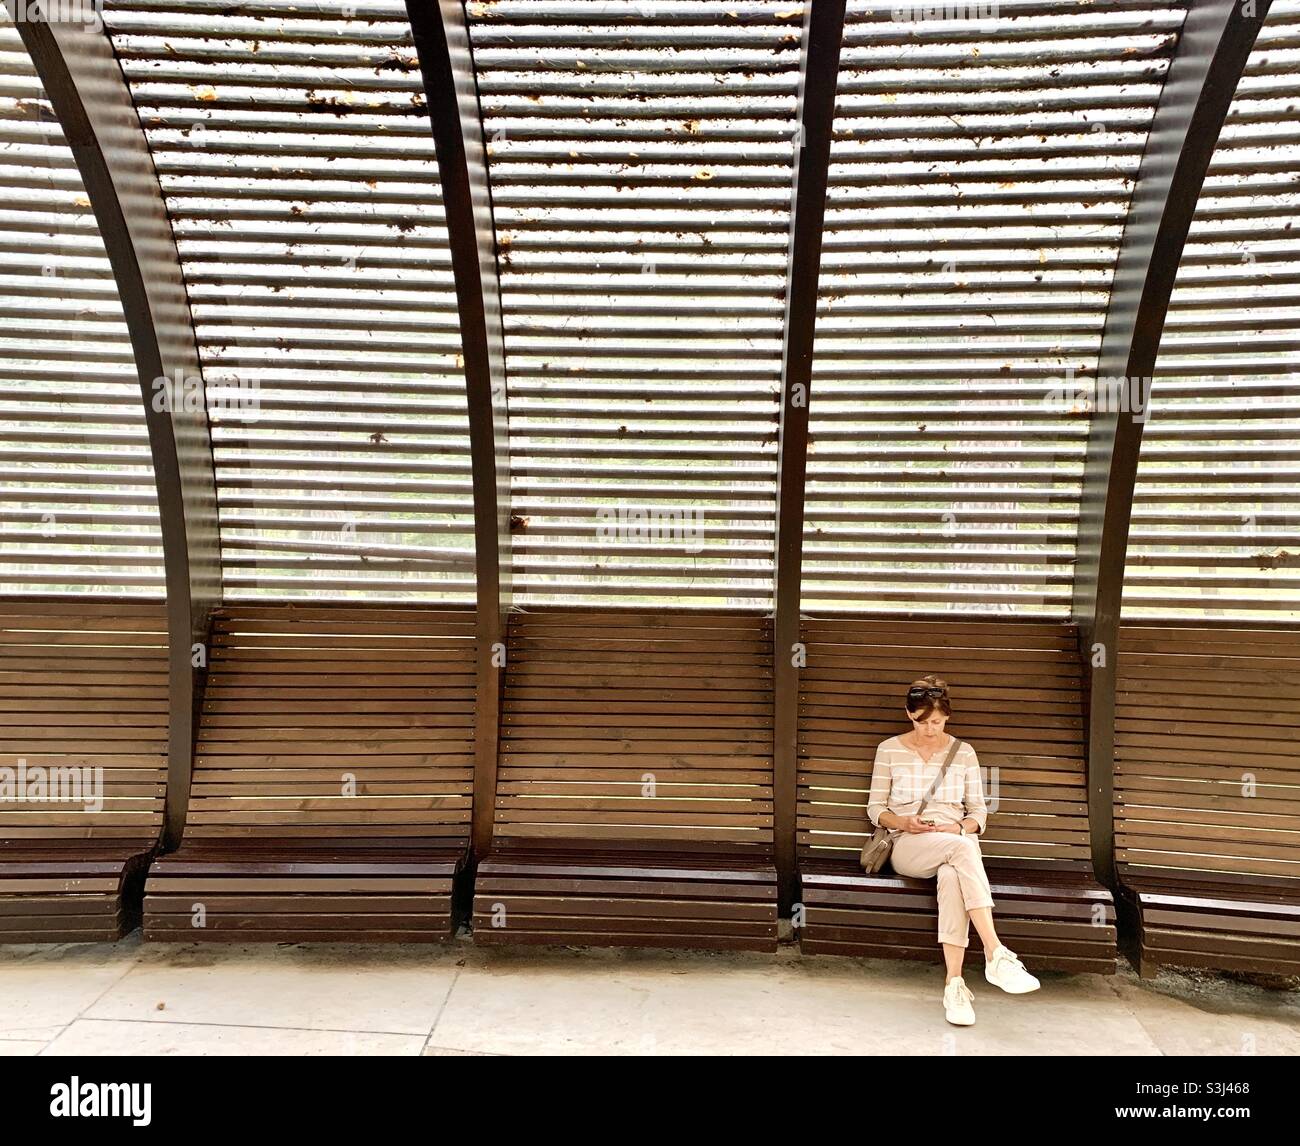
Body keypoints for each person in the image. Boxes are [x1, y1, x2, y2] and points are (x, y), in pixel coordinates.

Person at [866, 675, 1040, 1026]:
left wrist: (958, 827)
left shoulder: (964, 752)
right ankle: (996, 953)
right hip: (909, 844)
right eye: (922, 721)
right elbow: (875, 809)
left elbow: (978, 812)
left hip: (955, 843)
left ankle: (955, 985)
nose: (930, 729)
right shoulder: (888, 749)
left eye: (938, 722)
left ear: (947, 717)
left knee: (951, 874)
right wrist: (903, 822)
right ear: (908, 714)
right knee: (962, 852)